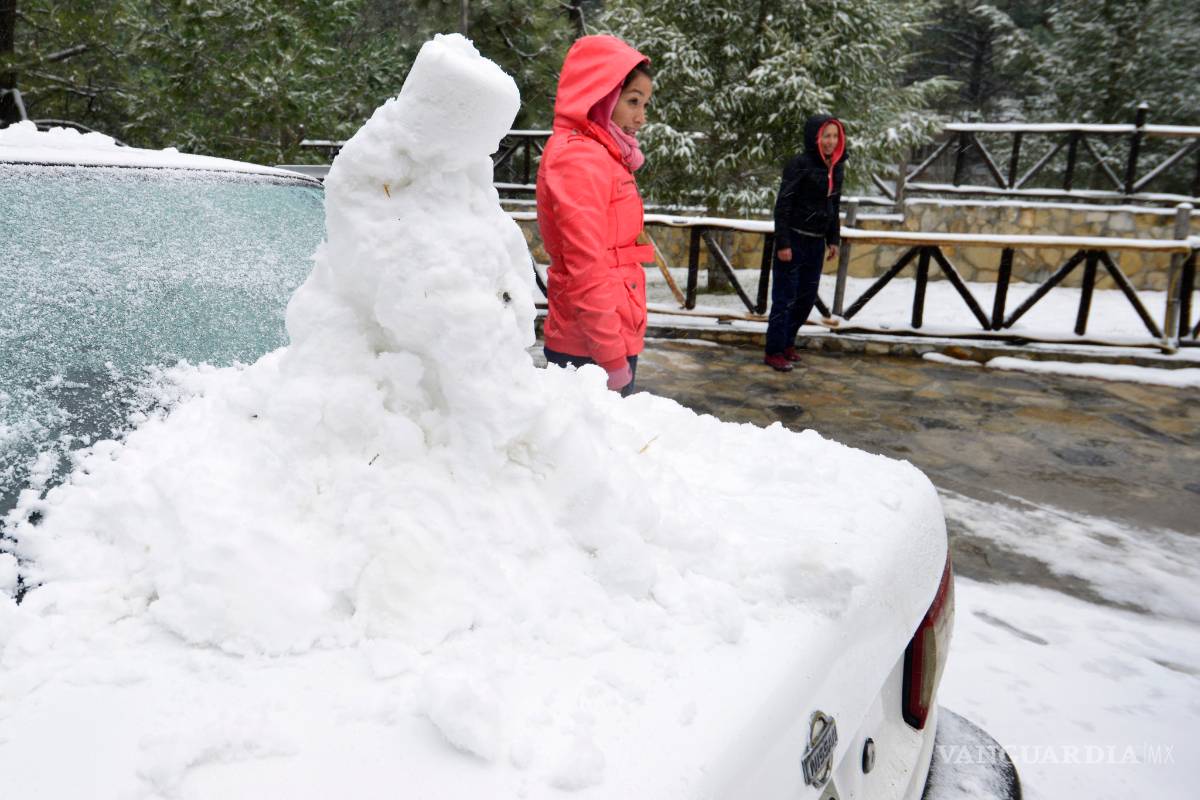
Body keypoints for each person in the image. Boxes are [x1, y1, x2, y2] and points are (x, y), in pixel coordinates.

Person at [536, 35, 654, 396]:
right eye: (633, 101)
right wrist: (611, 357)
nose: (641, 117)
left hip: (608, 335)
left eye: (645, 104)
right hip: (589, 350)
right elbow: (585, 264)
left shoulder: (604, 154)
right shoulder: (579, 159)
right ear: (600, 97)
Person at [763, 114, 847, 372]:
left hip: (815, 244)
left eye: (835, 136)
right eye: (826, 136)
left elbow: (833, 204)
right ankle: (774, 350)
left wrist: (833, 238)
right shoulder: (799, 164)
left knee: (805, 299)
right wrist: (784, 243)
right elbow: (783, 205)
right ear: (815, 138)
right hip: (794, 241)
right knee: (784, 298)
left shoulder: (837, 167)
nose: (830, 141)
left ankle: (788, 343)